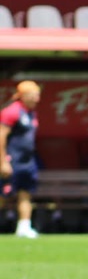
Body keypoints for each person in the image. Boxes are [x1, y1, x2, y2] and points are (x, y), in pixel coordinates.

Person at [0, 81, 41, 239]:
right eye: (34, 95)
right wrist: (2, 161)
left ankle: (24, 226)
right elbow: (1, 136)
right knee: (3, 195)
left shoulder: (31, 113)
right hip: (12, 159)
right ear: (23, 95)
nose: (37, 99)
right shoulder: (12, 111)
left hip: (28, 161)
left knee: (26, 193)